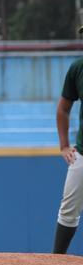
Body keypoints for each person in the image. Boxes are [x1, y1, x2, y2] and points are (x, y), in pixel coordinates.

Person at [53, 52, 83, 254]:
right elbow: (63, 108)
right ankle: (56, 263)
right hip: (82, 152)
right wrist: (64, 145)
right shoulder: (78, 68)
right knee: (68, 210)